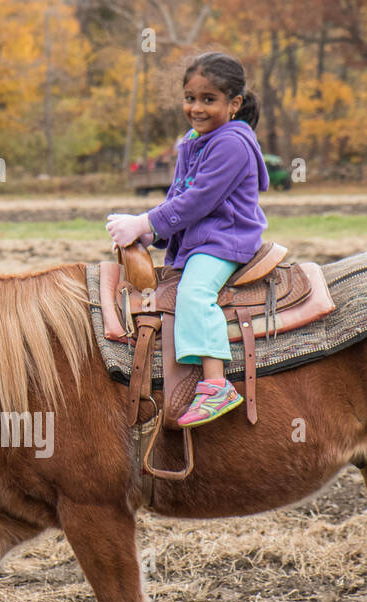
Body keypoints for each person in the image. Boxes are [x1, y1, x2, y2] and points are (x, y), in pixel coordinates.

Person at [106, 52, 269, 427]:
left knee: (194, 293)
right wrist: (151, 232)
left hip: (224, 240)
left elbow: (199, 201)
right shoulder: (194, 140)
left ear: (234, 104)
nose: (196, 108)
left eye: (208, 100)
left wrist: (145, 220)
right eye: (190, 98)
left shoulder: (232, 145)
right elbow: (178, 196)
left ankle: (216, 384)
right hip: (200, 239)